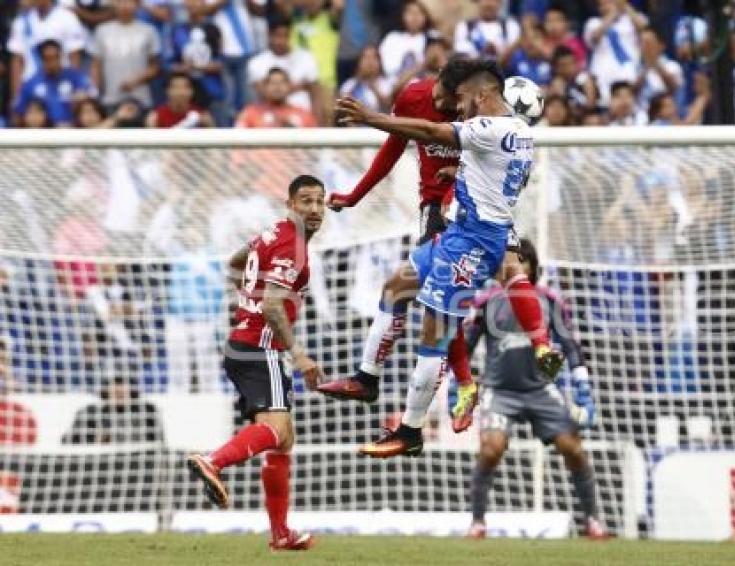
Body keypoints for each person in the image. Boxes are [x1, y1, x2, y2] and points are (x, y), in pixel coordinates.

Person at [318, 59, 562, 435]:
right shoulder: (420, 100)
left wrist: (371, 116)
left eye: (461, 102)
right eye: (453, 103)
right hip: (440, 208)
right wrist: (355, 195)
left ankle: (432, 407)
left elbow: (441, 135)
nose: (458, 109)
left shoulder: (484, 124)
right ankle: (471, 377)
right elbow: (395, 147)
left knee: (452, 297)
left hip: (470, 212)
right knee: (427, 291)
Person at [187, 174, 325, 552]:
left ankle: (281, 533)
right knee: (278, 432)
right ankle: (211, 460)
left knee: (284, 440)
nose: (314, 209)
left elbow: (235, 262)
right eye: (305, 201)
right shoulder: (293, 246)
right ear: (290, 204)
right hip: (261, 348)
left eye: (319, 202)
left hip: (241, 343)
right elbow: (272, 304)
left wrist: (242, 300)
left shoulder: (272, 233)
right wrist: (299, 355)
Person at [462, 238, 607, 540]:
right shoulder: (486, 301)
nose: (511, 267)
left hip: (541, 389)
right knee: (490, 450)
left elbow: (569, 345)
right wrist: (458, 386)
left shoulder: (549, 300)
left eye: (521, 261)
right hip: (500, 391)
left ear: (531, 266)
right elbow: (465, 347)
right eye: (505, 262)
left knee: (574, 449)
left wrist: (582, 386)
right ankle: (477, 522)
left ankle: (593, 520)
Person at [7, 0, 87, 100]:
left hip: (62, 84)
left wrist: (74, 86)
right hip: (31, 85)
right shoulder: (22, 21)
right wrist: (16, 96)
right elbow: (17, 60)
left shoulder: (67, 17)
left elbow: (74, 56)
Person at [61, 368, 164, 445]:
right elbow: (66, 442)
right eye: (114, 384)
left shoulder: (147, 411)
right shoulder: (89, 413)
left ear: (132, 390)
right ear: (105, 390)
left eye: (122, 383)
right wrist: (93, 440)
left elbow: (159, 443)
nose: (118, 389)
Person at [90, 0, 161, 111]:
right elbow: (96, 65)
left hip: (141, 98)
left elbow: (155, 67)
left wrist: (136, 80)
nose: (124, 5)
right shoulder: (102, 31)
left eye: (129, 2)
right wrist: (95, 91)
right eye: (120, 2)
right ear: (114, 4)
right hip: (110, 98)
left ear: (137, 5)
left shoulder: (148, 31)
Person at [247, 18, 323, 121]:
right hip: (269, 122)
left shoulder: (306, 58)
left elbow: (316, 94)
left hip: (303, 120)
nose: (281, 41)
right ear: (269, 35)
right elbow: (266, 93)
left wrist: (318, 123)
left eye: (285, 36)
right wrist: (303, 86)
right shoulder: (256, 63)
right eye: (277, 36)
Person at [12, 39, 96, 127]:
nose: (53, 62)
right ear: (42, 60)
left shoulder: (75, 77)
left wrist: (82, 98)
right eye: (48, 58)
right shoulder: (31, 84)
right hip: (43, 131)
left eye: (56, 57)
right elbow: (18, 112)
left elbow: (92, 97)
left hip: (71, 128)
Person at [170, 0, 228, 126]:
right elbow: (170, 63)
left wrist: (198, 67)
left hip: (212, 90)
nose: (193, 4)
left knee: (218, 131)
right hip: (185, 94)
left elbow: (221, 62)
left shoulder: (213, 29)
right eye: (190, 1)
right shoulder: (177, 30)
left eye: (197, 1)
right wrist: (182, 68)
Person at [583, 0, 648, 108]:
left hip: (630, 69)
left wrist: (625, 7)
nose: (605, 6)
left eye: (609, 2)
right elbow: (594, 38)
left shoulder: (632, 19)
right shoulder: (593, 23)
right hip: (603, 72)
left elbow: (645, 29)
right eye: (602, 4)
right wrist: (613, 13)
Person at [236, 68, 317, 128]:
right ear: (264, 87)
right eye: (273, 83)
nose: (277, 87)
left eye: (282, 82)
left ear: (290, 86)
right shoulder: (250, 114)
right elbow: (237, 143)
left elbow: (315, 146)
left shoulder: (304, 114)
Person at [379, 0, 433, 82]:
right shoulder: (392, 38)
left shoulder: (432, 38)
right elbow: (382, 66)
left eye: (419, 13)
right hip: (393, 84)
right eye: (410, 13)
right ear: (402, 16)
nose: (415, 17)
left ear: (425, 17)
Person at [453, 0, 520, 60]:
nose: (489, 4)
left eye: (494, 0)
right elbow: (462, 56)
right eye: (485, 0)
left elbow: (515, 56)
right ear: (477, 2)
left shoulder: (511, 26)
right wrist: (483, 53)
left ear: (500, 3)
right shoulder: (464, 27)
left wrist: (497, 51)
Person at [145, 71, 214, 128]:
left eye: (185, 87)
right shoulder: (155, 118)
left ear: (192, 91)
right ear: (167, 91)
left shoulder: (203, 116)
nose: (181, 92)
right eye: (176, 87)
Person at [338, 45, 393, 113]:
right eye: (366, 57)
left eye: (374, 58)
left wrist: (375, 88)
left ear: (380, 62)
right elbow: (341, 110)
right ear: (359, 62)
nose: (370, 62)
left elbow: (390, 107)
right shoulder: (350, 84)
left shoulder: (387, 84)